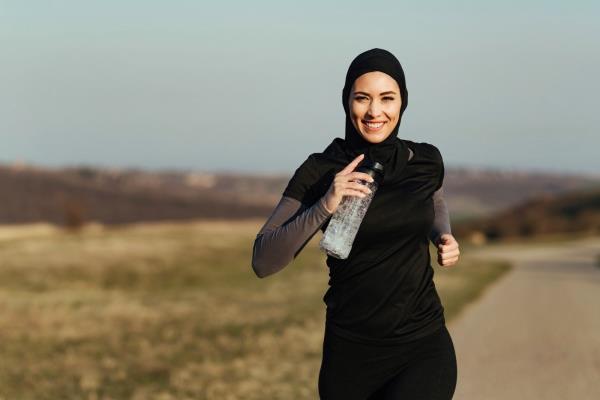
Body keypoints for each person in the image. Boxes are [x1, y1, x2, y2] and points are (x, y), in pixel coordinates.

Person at [252, 48, 461, 399]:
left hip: (421, 345)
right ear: (347, 101)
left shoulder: (424, 160)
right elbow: (263, 260)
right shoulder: (320, 170)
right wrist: (325, 205)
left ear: (402, 102)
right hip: (349, 355)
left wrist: (444, 235)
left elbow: (434, 200)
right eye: (362, 98)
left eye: (387, 98)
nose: (375, 111)